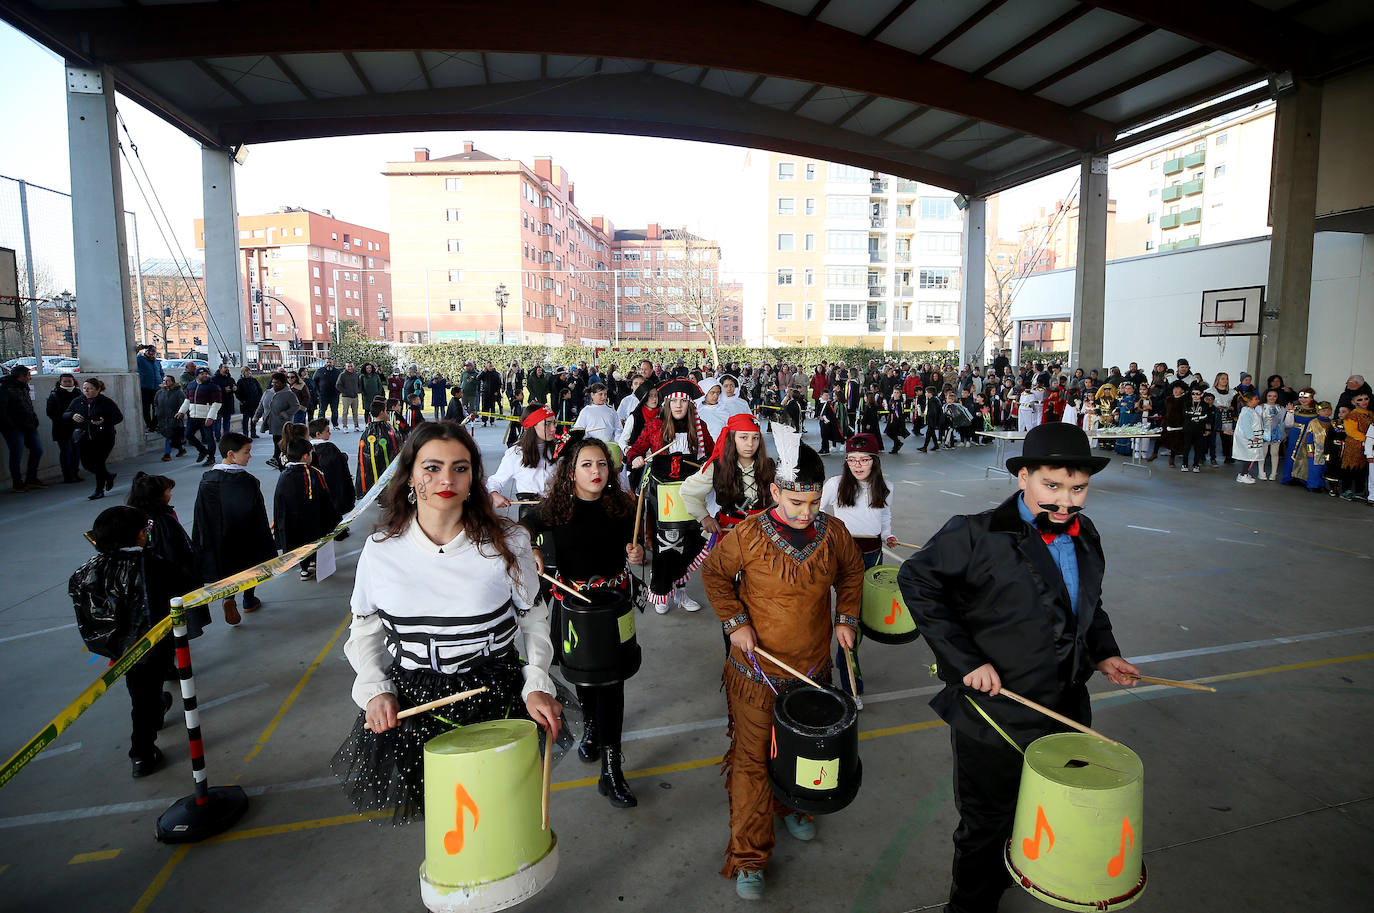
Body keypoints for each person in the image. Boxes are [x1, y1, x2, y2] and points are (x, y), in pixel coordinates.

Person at [896, 421, 1139, 913]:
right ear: (1023, 476)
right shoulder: (976, 533)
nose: (1066, 501)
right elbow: (917, 580)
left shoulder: (1085, 533)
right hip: (996, 712)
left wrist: (1104, 651)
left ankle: (1016, 873)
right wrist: (966, 662)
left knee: (1042, 811)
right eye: (1053, 486)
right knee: (986, 823)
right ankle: (969, 907)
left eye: (1078, 488)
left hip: (1065, 709)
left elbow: (1086, 606)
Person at [330, 421, 561, 823]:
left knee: (504, 820)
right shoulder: (381, 550)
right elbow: (365, 626)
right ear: (410, 475)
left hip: (498, 697)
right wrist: (374, 689)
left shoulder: (509, 542)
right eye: (432, 468)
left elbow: (534, 618)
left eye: (460, 467)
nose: (446, 479)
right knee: (449, 826)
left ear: (474, 476)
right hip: (415, 707)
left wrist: (537, 682)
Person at [699, 427, 865, 900]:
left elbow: (852, 572)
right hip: (756, 674)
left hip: (812, 672)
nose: (805, 513)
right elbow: (714, 575)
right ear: (774, 491)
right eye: (795, 503)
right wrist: (735, 623)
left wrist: (845, 619)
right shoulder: (748, 533)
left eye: (813, 503)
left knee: (806, 751)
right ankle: (749, 856)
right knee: (752, 764)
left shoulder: (833, 533)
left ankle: (795, 805)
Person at [526, 435, 646, 807]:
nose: (596, 471)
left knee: (612, 683)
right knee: (581, 674)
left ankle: (611, 769)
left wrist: (639, 552)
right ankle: (591, 726)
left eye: (602, 464)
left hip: (614, 608)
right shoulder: (553, 510)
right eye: (587, 465)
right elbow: (523, 527)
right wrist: (531, 547)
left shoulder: (624, 508)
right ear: (570, 472)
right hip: (573, 608)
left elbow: (639, 546)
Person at [68, 505, 198, 777]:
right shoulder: (152, 566)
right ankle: (142, 753)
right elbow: (184, 587)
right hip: (149, 644)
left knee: (142, 688)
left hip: (115, 645)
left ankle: (157, 707)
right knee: (143, 697)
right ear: (138, 535)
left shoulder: (87, 570)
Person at [626, 380, 714, 613]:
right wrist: (635, 458)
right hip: (662, 493)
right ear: (667, 402)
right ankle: (661, 590)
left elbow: (712, 455)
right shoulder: (655, 426)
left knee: (688, 542)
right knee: (665, 543)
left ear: (689, 403)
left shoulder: (700, 427)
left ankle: (681, 592)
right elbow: (634, 449)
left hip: (690, 493)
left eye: (682, 401)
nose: (678, 405)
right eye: (673, 400)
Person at [820, 433, 897, 698]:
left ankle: (845, 665)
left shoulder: (885, 485)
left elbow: (884, 515)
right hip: (842, 558)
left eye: (864, 459)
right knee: (847, 617)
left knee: (859, 620)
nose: (858, 465)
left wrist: (888, 535)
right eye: (852, 459)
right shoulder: (835, 484)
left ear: (875, 461)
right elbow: (816, 512)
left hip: (873, 557)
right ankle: (852, 684)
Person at [192, 432, 276, 625]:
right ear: (231, 454)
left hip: (219, 538)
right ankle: (248, 599)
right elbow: (257, 512)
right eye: (246, 452)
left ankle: (228, 597)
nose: (250, 456)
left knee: (226, 568)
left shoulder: (207, 480)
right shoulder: (247, 481)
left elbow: (201, 514)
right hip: (245, 536)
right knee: (249, 566)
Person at [127, 471, 210, 636]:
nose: (170, 495)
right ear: (156, 497)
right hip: (173, 579)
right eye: (168, 492)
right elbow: (174, 551)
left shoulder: (142, 518)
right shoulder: (161, 522)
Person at [680, 413, 776, 550]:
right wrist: (704, 517)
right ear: (732, 438)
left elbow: (777, 500)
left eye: (755, 438)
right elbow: (688, 491)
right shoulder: (717, 466)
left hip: (762, 533)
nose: (750, 443)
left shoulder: (769, 465)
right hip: (729, 532)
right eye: (743, 437)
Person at [274, 437, 341, 580]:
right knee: (313, 540)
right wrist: (332, 517)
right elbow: (324, 496)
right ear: (305, 456)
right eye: (311, 453)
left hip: (292, 520)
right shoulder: (313, 473)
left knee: (298, 543)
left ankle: (304, 568)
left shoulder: (284, 475)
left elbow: (279, 501)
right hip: (312, 519)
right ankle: (313, 562)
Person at [488, 406, 559, 524]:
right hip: (530, 514)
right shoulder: (516, 454)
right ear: (532, 426)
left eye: (554, 423)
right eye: (547, 424)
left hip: (557, 511)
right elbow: (496, 481)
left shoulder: (558, 450)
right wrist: (494, 494)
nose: (553, 428)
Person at [65, 377, 123, 500]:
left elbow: (118, 417)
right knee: (87, 464)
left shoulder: (106, 402)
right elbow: (66, 414)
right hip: (84, 437)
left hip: (104, 437)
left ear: (98, 390)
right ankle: (108, 476)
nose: (87, 391)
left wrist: (104, 421)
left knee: (99, 462)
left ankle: (99, 490)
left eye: (90, 389)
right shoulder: (78, 401)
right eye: (85, 388)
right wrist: (72, 415)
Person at [0, 364, 45, 493]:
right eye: (28, 375)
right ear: (21, 376)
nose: (30, 378)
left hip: (28, 425)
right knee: (16, 455)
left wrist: (34, 419)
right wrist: (11, 425)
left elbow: (28, 405)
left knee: (38, 450)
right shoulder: (5, 388)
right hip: (13, 428)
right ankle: (17, 483)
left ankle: (31, 478)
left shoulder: (23, 387)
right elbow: (2, 410)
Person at [309, 418, 357, 536]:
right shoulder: (329, 448)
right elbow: (338, 462)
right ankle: (339, 532)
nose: (329, 433)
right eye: (327, 431)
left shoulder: (308, 448)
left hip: (316, 488)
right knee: (333, 508)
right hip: (332, 485)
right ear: (318, 434)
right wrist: (343, 457)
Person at [253, 372, 300, 470]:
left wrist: (285, 414)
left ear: (283, 383)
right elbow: (261, 406)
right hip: (271, 422)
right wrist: (256, 417)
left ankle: (279, 459)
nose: (274, 385)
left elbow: (296, 406)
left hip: (283, 423)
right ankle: (279, 460)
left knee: (281, 442)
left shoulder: (289, 394)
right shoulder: (268, 392)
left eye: (277, 383)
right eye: (273, 383)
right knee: (277, 441)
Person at [357, 397, 401, 498]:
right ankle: (383, 494)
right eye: (386, 411)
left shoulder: (367, 432)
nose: (388, 413)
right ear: (382, 412)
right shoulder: (385, 432)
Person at [177, 366, 222, 464]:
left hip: (206, 416)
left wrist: (210, 417)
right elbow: (188, 400)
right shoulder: (191, 385)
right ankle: (202, 450)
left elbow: (217, 403)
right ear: (197, 376)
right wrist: (181, 411)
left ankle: (211, 457)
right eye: (202, 374)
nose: (205, 375)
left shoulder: (213, 387)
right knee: (188, 434)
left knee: (209, 437)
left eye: (206, 374)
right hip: (193, 416)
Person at [46, 371, 83, 482]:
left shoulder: (78, 393)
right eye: (65, 381)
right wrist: (65, 417)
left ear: (73, 382)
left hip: (76, 427)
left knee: (76, 451)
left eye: (69, 381)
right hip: (61, 428)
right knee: (66, 451)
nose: (67, 383)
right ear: (60, 382)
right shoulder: (55, 394)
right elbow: (50, 412)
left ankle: (75, 473)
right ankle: (67, 475)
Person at [1281, 387, 1321, 485]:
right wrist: (1290, 412)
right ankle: (1290, 477)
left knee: (1306, 456)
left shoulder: (1317, 409)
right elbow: (1288, 424)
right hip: (1296, 434)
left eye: (1306, 398)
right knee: (1292, 454)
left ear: (1311, 398)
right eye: (1301, 397)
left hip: (1310, 436)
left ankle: (1304, 478)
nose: (1303, 400)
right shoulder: (1296, 408)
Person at [1338, 392, 1372, 500]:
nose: (1364, 402)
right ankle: (1345, 490)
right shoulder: (1351, 415)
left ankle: (1359, 491)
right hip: (1354, 445)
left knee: (1362, 469)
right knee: (1350, 468)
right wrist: (1368, 439)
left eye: (1366, 399)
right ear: (1353, 402)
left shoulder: (1371, 414)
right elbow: (1351, 431)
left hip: (1367, 446)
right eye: (1360, 400)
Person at [153, 374, 186, 461]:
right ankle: (181, 449)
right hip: (163, 419)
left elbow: (183, 405)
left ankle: (167, 454)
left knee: (170, 436)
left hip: (174, 418)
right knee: (171, 437)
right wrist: (157, 412)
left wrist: (180, 414)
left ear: (173, 382)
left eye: (168, 380)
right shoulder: (159, 393)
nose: (166, 382)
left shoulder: (179, 393)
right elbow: (155, 403)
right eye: (164, 380)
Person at [1232, 391, 1263, 484]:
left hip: (1252, 438)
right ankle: (1243, 474)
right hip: (1248, 439)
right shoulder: (1247, 412)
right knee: (1248, 457)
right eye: (1256, 399)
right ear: (1249, 401)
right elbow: (1246, 426)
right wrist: (1251, 437)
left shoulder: (1250, 411)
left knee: (1251, 457)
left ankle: (1245, 473)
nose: (1258, 400)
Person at [1257, 388, 1286, 480]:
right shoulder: (1260, 407)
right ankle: (1261, 472)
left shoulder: (1281, 408)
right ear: (1266, 396)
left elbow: (1282, 422)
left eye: (1274, 396)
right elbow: (1258, 421)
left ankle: (1273, 473)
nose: (1272, 398)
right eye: (1269, 396)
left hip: (1276, 433)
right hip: (1263, 433)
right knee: (1263, 453)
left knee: (1275, 453)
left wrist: (1283, 434)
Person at [136, 344, 163, 432]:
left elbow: (161, 373)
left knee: (157, 407)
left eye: (153, 352)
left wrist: (162, 381)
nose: (151, 353)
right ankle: (149, 425)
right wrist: (139, 348)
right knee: (146, 408)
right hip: (145, 387)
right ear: (146, 352)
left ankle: (153, 425)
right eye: (149, 351)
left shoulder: (157, 362)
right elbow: (133, 356)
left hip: (157, 387)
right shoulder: (140, 359)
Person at [312, 358, 341, 428]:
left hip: (334, 395)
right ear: (325, 363)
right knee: (322, 410)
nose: (329, 364)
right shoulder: (319, 371)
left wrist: (339, 391)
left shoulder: (337, 372)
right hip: (323, 395)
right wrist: (318, 392)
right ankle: (320, 425)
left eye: (330, 362)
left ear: (333, 363)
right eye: (327, 362)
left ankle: (335, 424)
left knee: (334, 410)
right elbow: (314, 381)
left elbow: (341, 382)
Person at [210, 363, 237, 439]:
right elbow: (212, 389)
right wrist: (223, 389)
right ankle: (217, 437)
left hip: (228, 403)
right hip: (218, 403)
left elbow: (234, 386)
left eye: (227, 367)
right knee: (217, 421)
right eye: (225, 367)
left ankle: (226, 436)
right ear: (220, 369)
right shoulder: (214, 379)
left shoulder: (230, 378)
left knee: (227, 420)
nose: (227, 369)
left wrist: (234, 388)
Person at [236, 367, 263, 438]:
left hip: (254, 403)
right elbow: (238, 393)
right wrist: (242, 400)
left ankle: (253, 433)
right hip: (245, 404)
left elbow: (259, 390)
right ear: (243, 373)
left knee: (254, 419)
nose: (248, 373)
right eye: (246, 371)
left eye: (249, 371)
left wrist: (259, 399)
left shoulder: (253, 380)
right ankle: (245, 434)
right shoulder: (240, 381)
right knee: (245, 419)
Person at [337, 362, 362, 431]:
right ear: (346, 367)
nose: (350, 368)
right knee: (345, 412)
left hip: (355, 396)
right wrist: (345, 392)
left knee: (355, 412)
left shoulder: (356, 374)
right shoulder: (342, 375)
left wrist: (358, 391)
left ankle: (356, 426)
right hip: (346, 397)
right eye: (348, 366)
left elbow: (359, 384)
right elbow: (338, 385)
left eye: (351, 366)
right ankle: (345, 426)